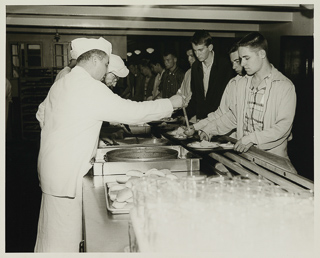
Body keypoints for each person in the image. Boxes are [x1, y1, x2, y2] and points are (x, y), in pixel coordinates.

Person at [34, 36, 182, 252]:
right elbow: (132, 112)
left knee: (49, 236)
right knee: (63, 244)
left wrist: (63, 136)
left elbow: (41, 114)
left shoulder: (64, 82)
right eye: (105, 65)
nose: (105, 72)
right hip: (68, 174)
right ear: (94, 60)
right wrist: (171, 103)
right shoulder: (88, 86)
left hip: (53, 169)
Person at [198, 32, 296, 159]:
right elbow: (234, 116)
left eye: (246, 58)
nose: (242, 64)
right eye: (241, 58)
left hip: (272, 159)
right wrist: (209, 129)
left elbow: (283, 128)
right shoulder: (242, 83)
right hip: (246, 157)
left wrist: (252, 138)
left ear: (262, 54)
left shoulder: (284, 86)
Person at [184, 42, 244, 136]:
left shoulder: (223, 66)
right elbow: (223, 113)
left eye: (237, 61)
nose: (233, 67)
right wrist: (199, 127)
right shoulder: (233, 83)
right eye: (233, 62)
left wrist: (206, 129)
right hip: (232, 135)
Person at [186, 30, 234, 121]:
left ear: (210, 47)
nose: (197, 54)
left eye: (200, 50)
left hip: (219, 119)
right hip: (201, 119)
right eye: (195, 50)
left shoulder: (225, 65)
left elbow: (227, 98)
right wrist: (185, 116)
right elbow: (195, 97)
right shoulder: (195, 67)